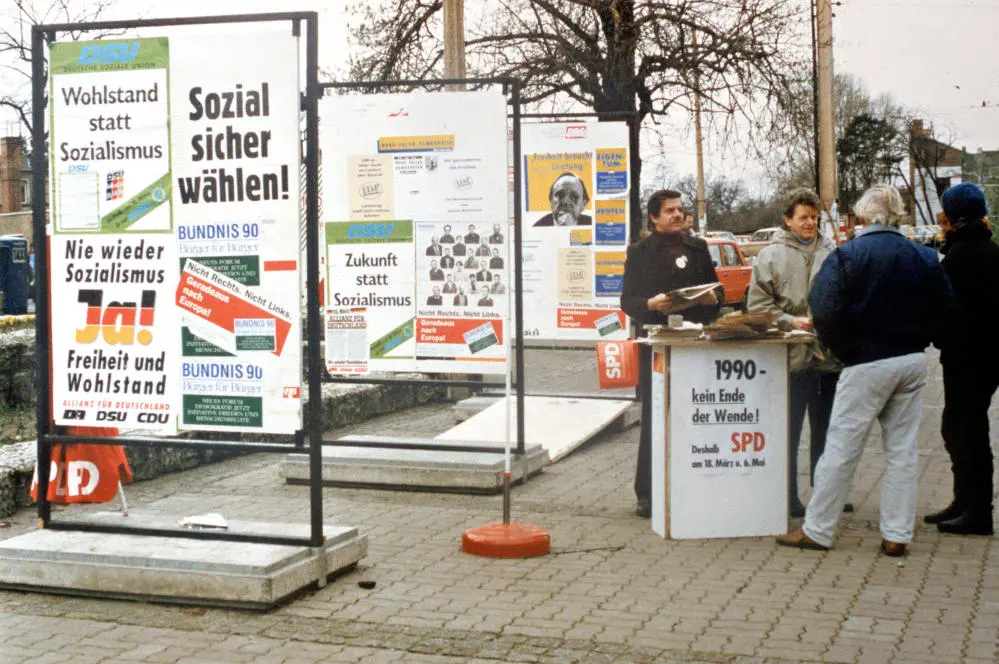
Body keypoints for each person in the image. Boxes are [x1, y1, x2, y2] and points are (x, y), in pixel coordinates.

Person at [777, 184, 955, 557]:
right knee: (903, 451)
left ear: (861, 217)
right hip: (910, 359)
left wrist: (842, 347)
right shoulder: (924, 256)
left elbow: (823, 308)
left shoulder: (848, 255)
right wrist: (925, 338)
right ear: (899, 216)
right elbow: (945, 308)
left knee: (841, 447)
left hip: (864, 361)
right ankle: (897, 534)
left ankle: (819, 530)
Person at [620, 189, 721, 518]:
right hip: (658, 345)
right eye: (669, 211)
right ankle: (646, 492)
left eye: (680, 210)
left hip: (695, 343)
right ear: (653, 217)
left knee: (696, 414)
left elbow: (716, 289)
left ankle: (695, 485)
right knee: (656, 416)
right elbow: (628, 301)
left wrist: (711, 299)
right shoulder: (639, 252)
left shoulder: (698, 247)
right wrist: (650, 305)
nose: (677, 215)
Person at [747, 189, 846, 518]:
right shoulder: (770, 256)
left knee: (828, 430)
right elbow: (758, 307)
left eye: (815, 217)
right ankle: (786, 495)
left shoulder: (833, 251)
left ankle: (827, 493)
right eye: (803, 217)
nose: (810, 223)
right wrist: (792, 321)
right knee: (788, 431)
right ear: (787, 220)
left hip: (829, 356)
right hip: (790, 358)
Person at [924, 183, 999, 536]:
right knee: (959, 427)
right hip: (983, 353)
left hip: (967, 355)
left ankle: (977, 510)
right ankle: (964, 501)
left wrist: (939, 336)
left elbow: (947, 307)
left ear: (952, 217)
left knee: (966, 431)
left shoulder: (961, 255)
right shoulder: (987, 248)